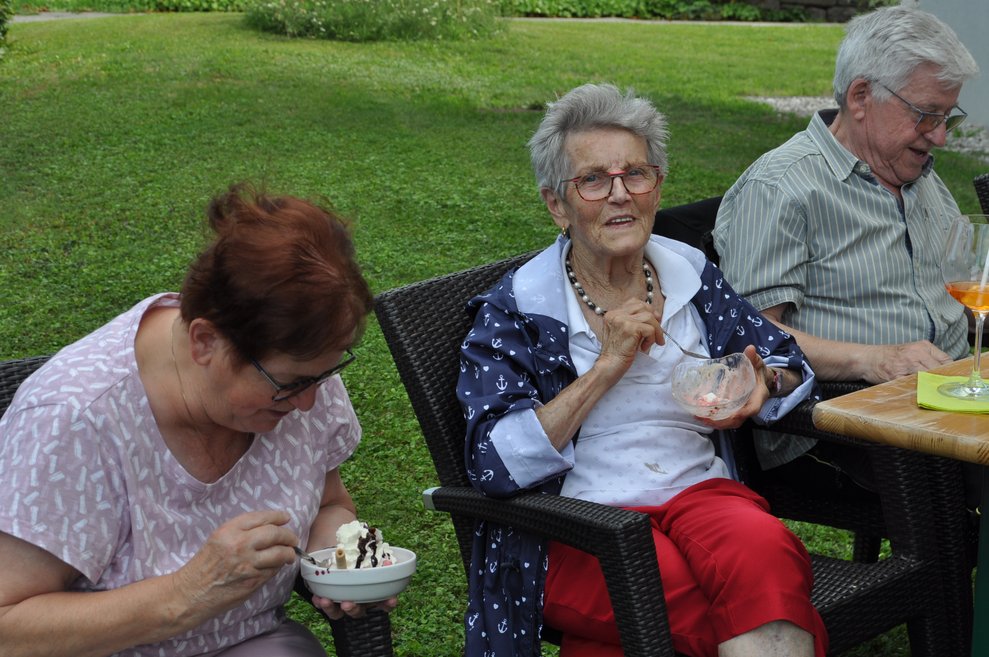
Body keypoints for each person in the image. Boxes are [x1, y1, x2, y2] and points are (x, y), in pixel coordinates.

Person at [457, 83, 826, 657]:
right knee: (731, 597)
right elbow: (495, 461)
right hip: (578, 519)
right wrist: (606, 366)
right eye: (593, 180)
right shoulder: (519, 309)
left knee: (764, 547)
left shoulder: (691, 274)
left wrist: (763, 382)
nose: (620, 195)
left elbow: (783, 359)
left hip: (701, 493)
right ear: (557, 205)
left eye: (636, 174)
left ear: (657, 186)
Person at [0, 183, 396, 657]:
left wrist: (339, 563)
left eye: (323, 375)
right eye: (292, 382)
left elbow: (331, 504)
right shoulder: (73, 420)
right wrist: (185, 594)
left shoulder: (300, 371)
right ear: (205, 341)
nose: (310, 402)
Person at [712, 5, 980, 494]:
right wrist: (873, 359)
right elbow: (749, 336)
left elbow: (958, 287)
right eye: (926, 115)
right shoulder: (783, 186)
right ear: (861, 97)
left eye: (948, 117)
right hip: (844, 418)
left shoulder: (920, 178)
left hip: (950, 396)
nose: (940, 137)